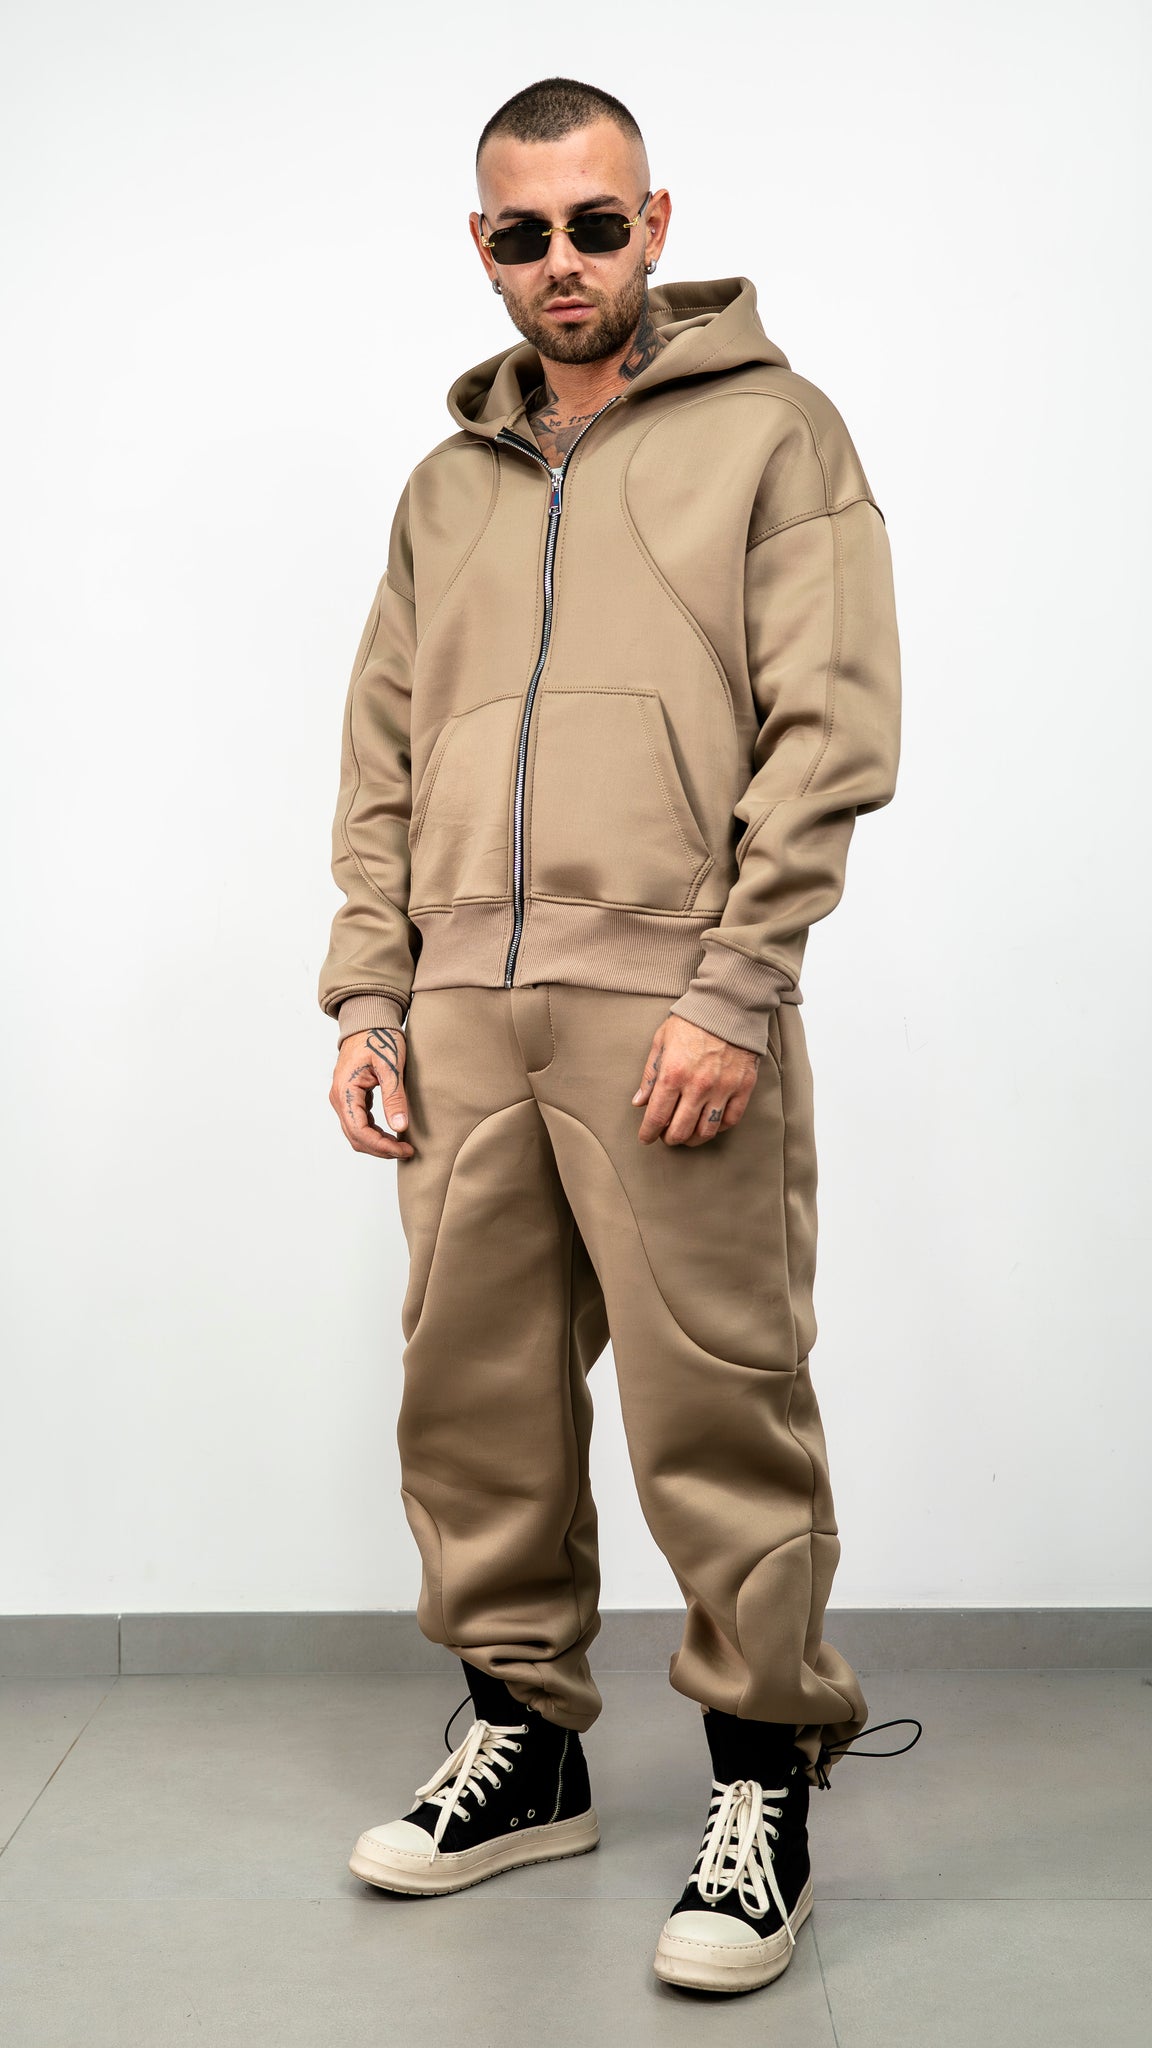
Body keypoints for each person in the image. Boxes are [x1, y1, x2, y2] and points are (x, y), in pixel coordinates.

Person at [319, 75, 914, 1997]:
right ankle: (529, 1743)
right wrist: (370, 989)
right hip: (461, 1018)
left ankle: (764, 1775)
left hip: (671, 1003)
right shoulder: (448, 490)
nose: (561, 261)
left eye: (594, 223)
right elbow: (384, 762)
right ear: (481, 247)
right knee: (472, 1394)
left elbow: (828, 733)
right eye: (524, 233)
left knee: (718, 1396)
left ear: (655, 221)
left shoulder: (777, 435)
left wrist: (734, 989)